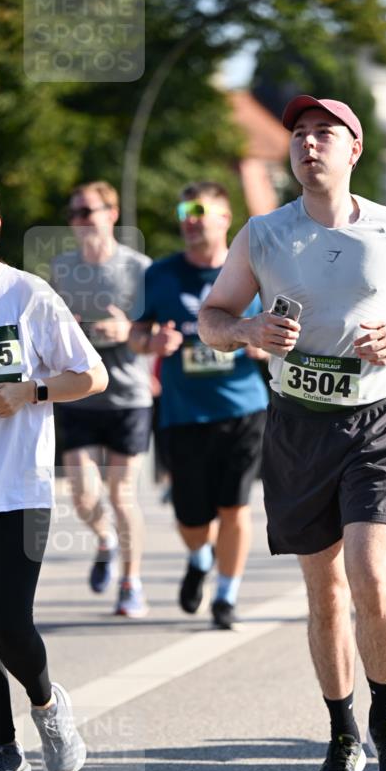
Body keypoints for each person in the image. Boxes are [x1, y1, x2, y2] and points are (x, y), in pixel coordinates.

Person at [198, 95, 386, 771]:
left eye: (324, 134)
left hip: (375, 422)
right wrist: (247, 332)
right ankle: (342, 733)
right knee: (324, 591)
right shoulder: (263, 234)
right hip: (296, 425)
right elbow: (211, 319)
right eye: (299, 135)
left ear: (353, 150)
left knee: (371, 575)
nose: (308, 145)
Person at [0, 194, 108, 771]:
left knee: (8, 623)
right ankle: (3, 752)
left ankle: (45, 703)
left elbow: (92, 375)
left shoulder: (25, 295)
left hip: (17, 487)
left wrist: (31, 392)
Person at [129, 182, 268, 629]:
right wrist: (152, 341)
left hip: (243, 409)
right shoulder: (160, 274)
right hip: (182, 412)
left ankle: (226, 597)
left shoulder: (255, 271)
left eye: (199, 210)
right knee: (191, 515)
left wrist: (266, 346)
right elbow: (134, 334)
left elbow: (286, 329)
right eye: (183, 210)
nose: (189, 219)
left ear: (225, 219)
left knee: (235, 508)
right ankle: (199, 556)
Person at [50, 181, 152, 617]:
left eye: (87, 211)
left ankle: (131, 582)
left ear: (111, 214)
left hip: (127, 393)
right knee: (83, 496)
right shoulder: (62, 268)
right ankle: (105, 540)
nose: (80, 220)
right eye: (74, 213)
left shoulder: (140, 268)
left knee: (121, 493)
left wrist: (127, 331)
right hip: (78, 392)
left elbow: (158, 333)